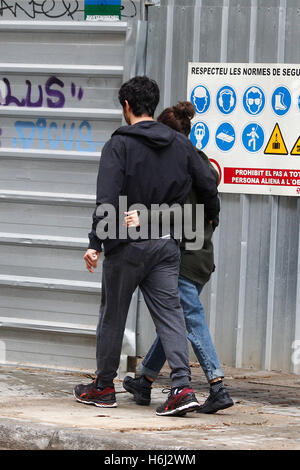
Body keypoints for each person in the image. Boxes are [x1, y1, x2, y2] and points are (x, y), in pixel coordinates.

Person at [73, 77, 220, 417]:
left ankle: (104, 386)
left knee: (113, 316)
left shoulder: (118, 146)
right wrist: (211, 218)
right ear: (152, 106)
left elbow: (106, 198)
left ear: (126, 106)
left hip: (126, 245)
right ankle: (181, 388)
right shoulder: (180, 145)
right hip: (167, 244)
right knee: (171, 315)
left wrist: (95, 242)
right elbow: (208, 184)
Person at [123, 101, 233, 414]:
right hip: (202, 257)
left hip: (185, 256)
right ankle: (144, 380)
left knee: (190, 319)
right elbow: (210, 213)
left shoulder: (179, 169)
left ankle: (217, 384)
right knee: (176, 320)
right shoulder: (203, 163)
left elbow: (177, 217)